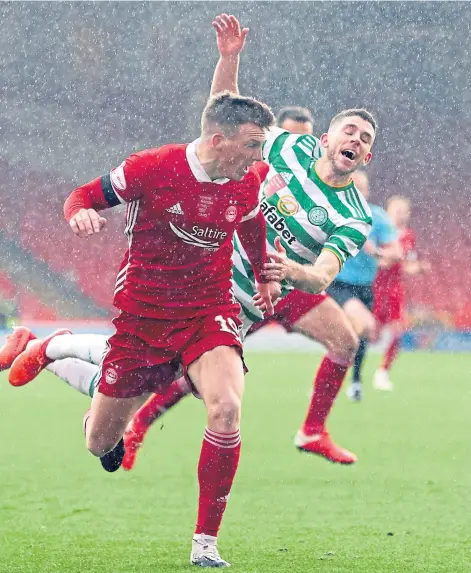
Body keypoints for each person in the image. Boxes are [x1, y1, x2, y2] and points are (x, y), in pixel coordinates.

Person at [7, 15, 377, 474]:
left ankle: (311, 431)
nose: (356, 140)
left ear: (367, 156)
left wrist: (289, 272)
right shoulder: (289, 148)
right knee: (179, 381)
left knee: (344, 341)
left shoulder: (354, 214)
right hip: (224, 285)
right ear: (326, 138)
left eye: (365, 139)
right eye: (350, 131)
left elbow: (322, 274)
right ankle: (113, 402)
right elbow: (227, 117)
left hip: (281, 285)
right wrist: (229, 59)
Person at [10, 88, 281, 567]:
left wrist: (261, 274)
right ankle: (59, 347)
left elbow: (251, 222)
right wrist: (80, 214)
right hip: (144, 317)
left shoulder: (249, 178)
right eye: (254, 144)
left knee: (227, 409)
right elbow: (83, 195)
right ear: (220, 140)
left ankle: (205, 544)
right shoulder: (152, 167)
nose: (261, 156)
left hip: (208, 313)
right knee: (100, 443)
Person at [326, 171, 402, 401]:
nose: (358, 192)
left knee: (352, 336)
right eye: (353, 187)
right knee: (365, 326)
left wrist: (375, 251)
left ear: (367, 192)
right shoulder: (334, 212)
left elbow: (396, 253)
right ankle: (337, 380)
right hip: (338, 284)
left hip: (364, 287)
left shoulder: (377, 217)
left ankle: (353, 381)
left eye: (362, 188)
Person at [372, 195, 429, 391]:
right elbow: (382, 261)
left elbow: (404, 265)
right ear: (388, 212)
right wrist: (389, 259)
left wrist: (418, 268)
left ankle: (382, 372)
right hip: (373, 287)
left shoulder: (408, 236)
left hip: (394, 289)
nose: (401, 215)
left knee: (398, 330)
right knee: (369, 333)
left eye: (404, 211)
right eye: (397, 211)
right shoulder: (380, 232)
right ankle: (345, 370)